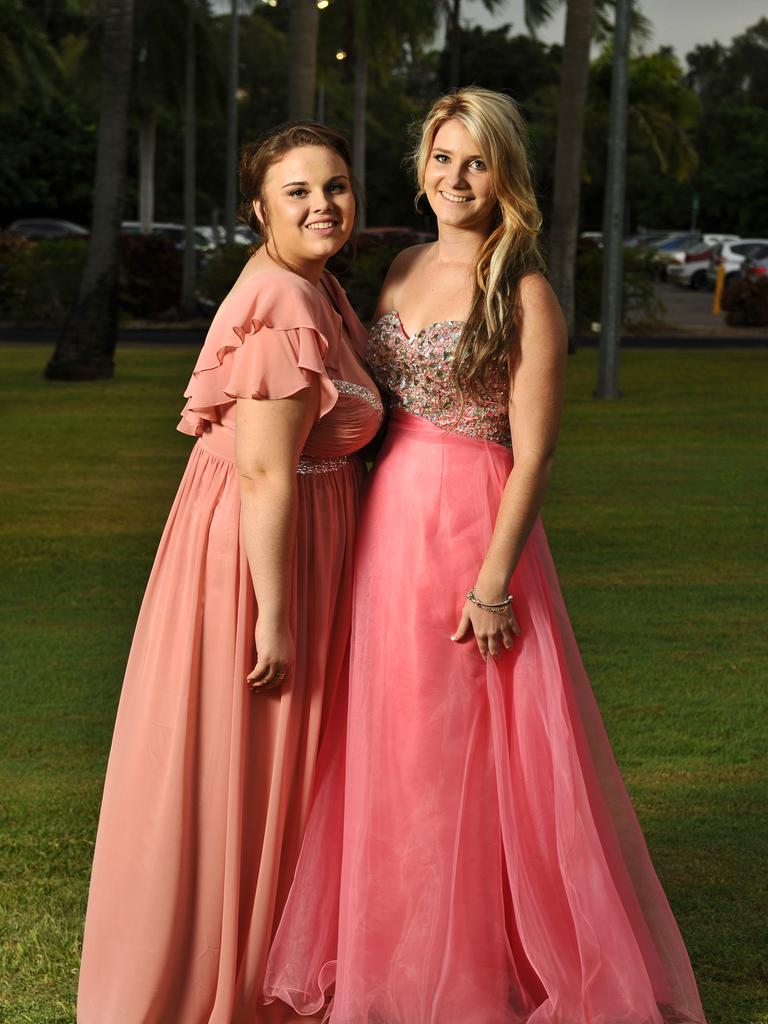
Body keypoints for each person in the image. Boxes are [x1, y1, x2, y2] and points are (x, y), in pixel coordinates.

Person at [264, 89, 707, 1023]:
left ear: (503, 173)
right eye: (441, 158)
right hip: (388, 524)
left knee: (469, 750)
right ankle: (394, 951)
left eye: (475, 161)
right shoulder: (396, 270)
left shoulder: (526, 290)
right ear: (420, 166)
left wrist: (495, 583)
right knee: (395, 740)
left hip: (474, 527)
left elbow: (536, 452)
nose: (455, 178)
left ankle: (470, 964)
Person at [77, 123, 383, 1024]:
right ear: (258, 208)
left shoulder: (314, 285)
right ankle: (226, 983)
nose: (321, 204)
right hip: (260, 559)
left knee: (277, 768)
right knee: (250, 764)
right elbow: (260, 471)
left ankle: (272, 960)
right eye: (297, 192)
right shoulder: (284, 302)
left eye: (335, 186)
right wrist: (275, 617)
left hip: (290, 539)